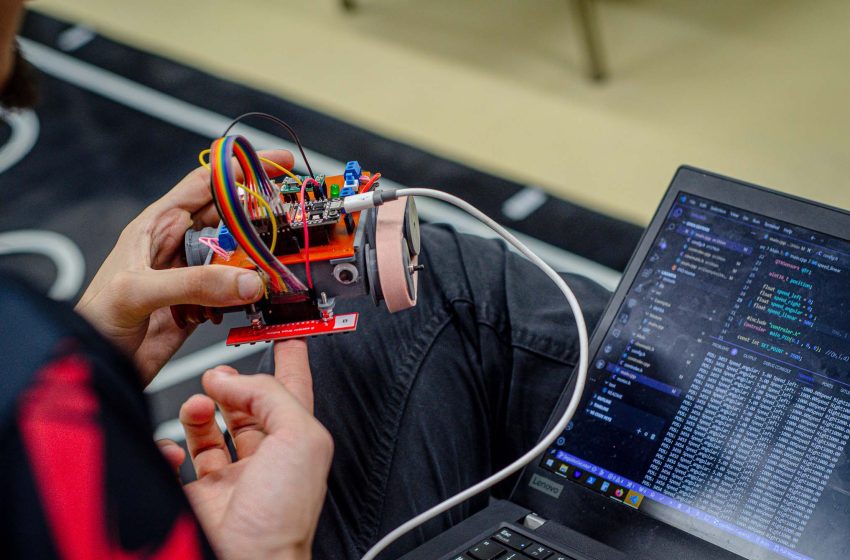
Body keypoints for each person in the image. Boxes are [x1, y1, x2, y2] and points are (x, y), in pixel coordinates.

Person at [0, 3, 613, 559]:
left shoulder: (34, 363)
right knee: (466, 295)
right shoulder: (32, 385)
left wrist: (96, 352)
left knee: (438, 279)